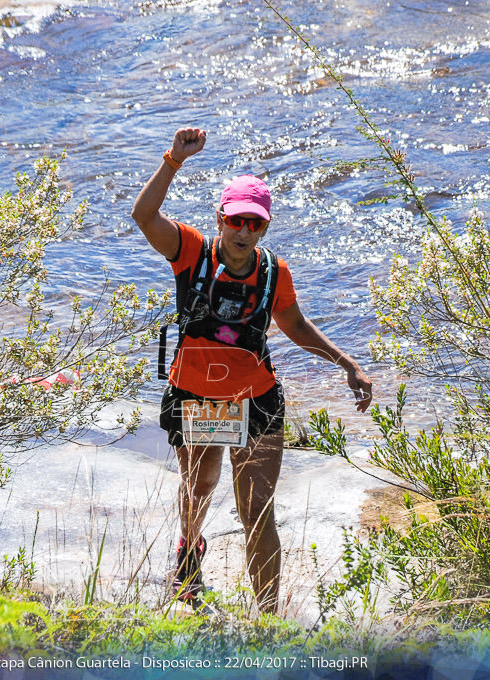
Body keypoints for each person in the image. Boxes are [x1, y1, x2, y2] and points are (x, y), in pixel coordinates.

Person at [131, 127, 373, 613]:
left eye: (254, 224)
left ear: (264, 227)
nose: (244, 232)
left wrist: (347, 363)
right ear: (221, 219)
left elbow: (296, 326)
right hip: (194, 397)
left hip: (255, 398)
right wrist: (173, 161)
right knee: (199, 485)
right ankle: (190, 549)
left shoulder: (274, 273)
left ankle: (267, 620)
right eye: (236, 221)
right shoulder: (191, 252)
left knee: (257, 512)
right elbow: (144, 216)